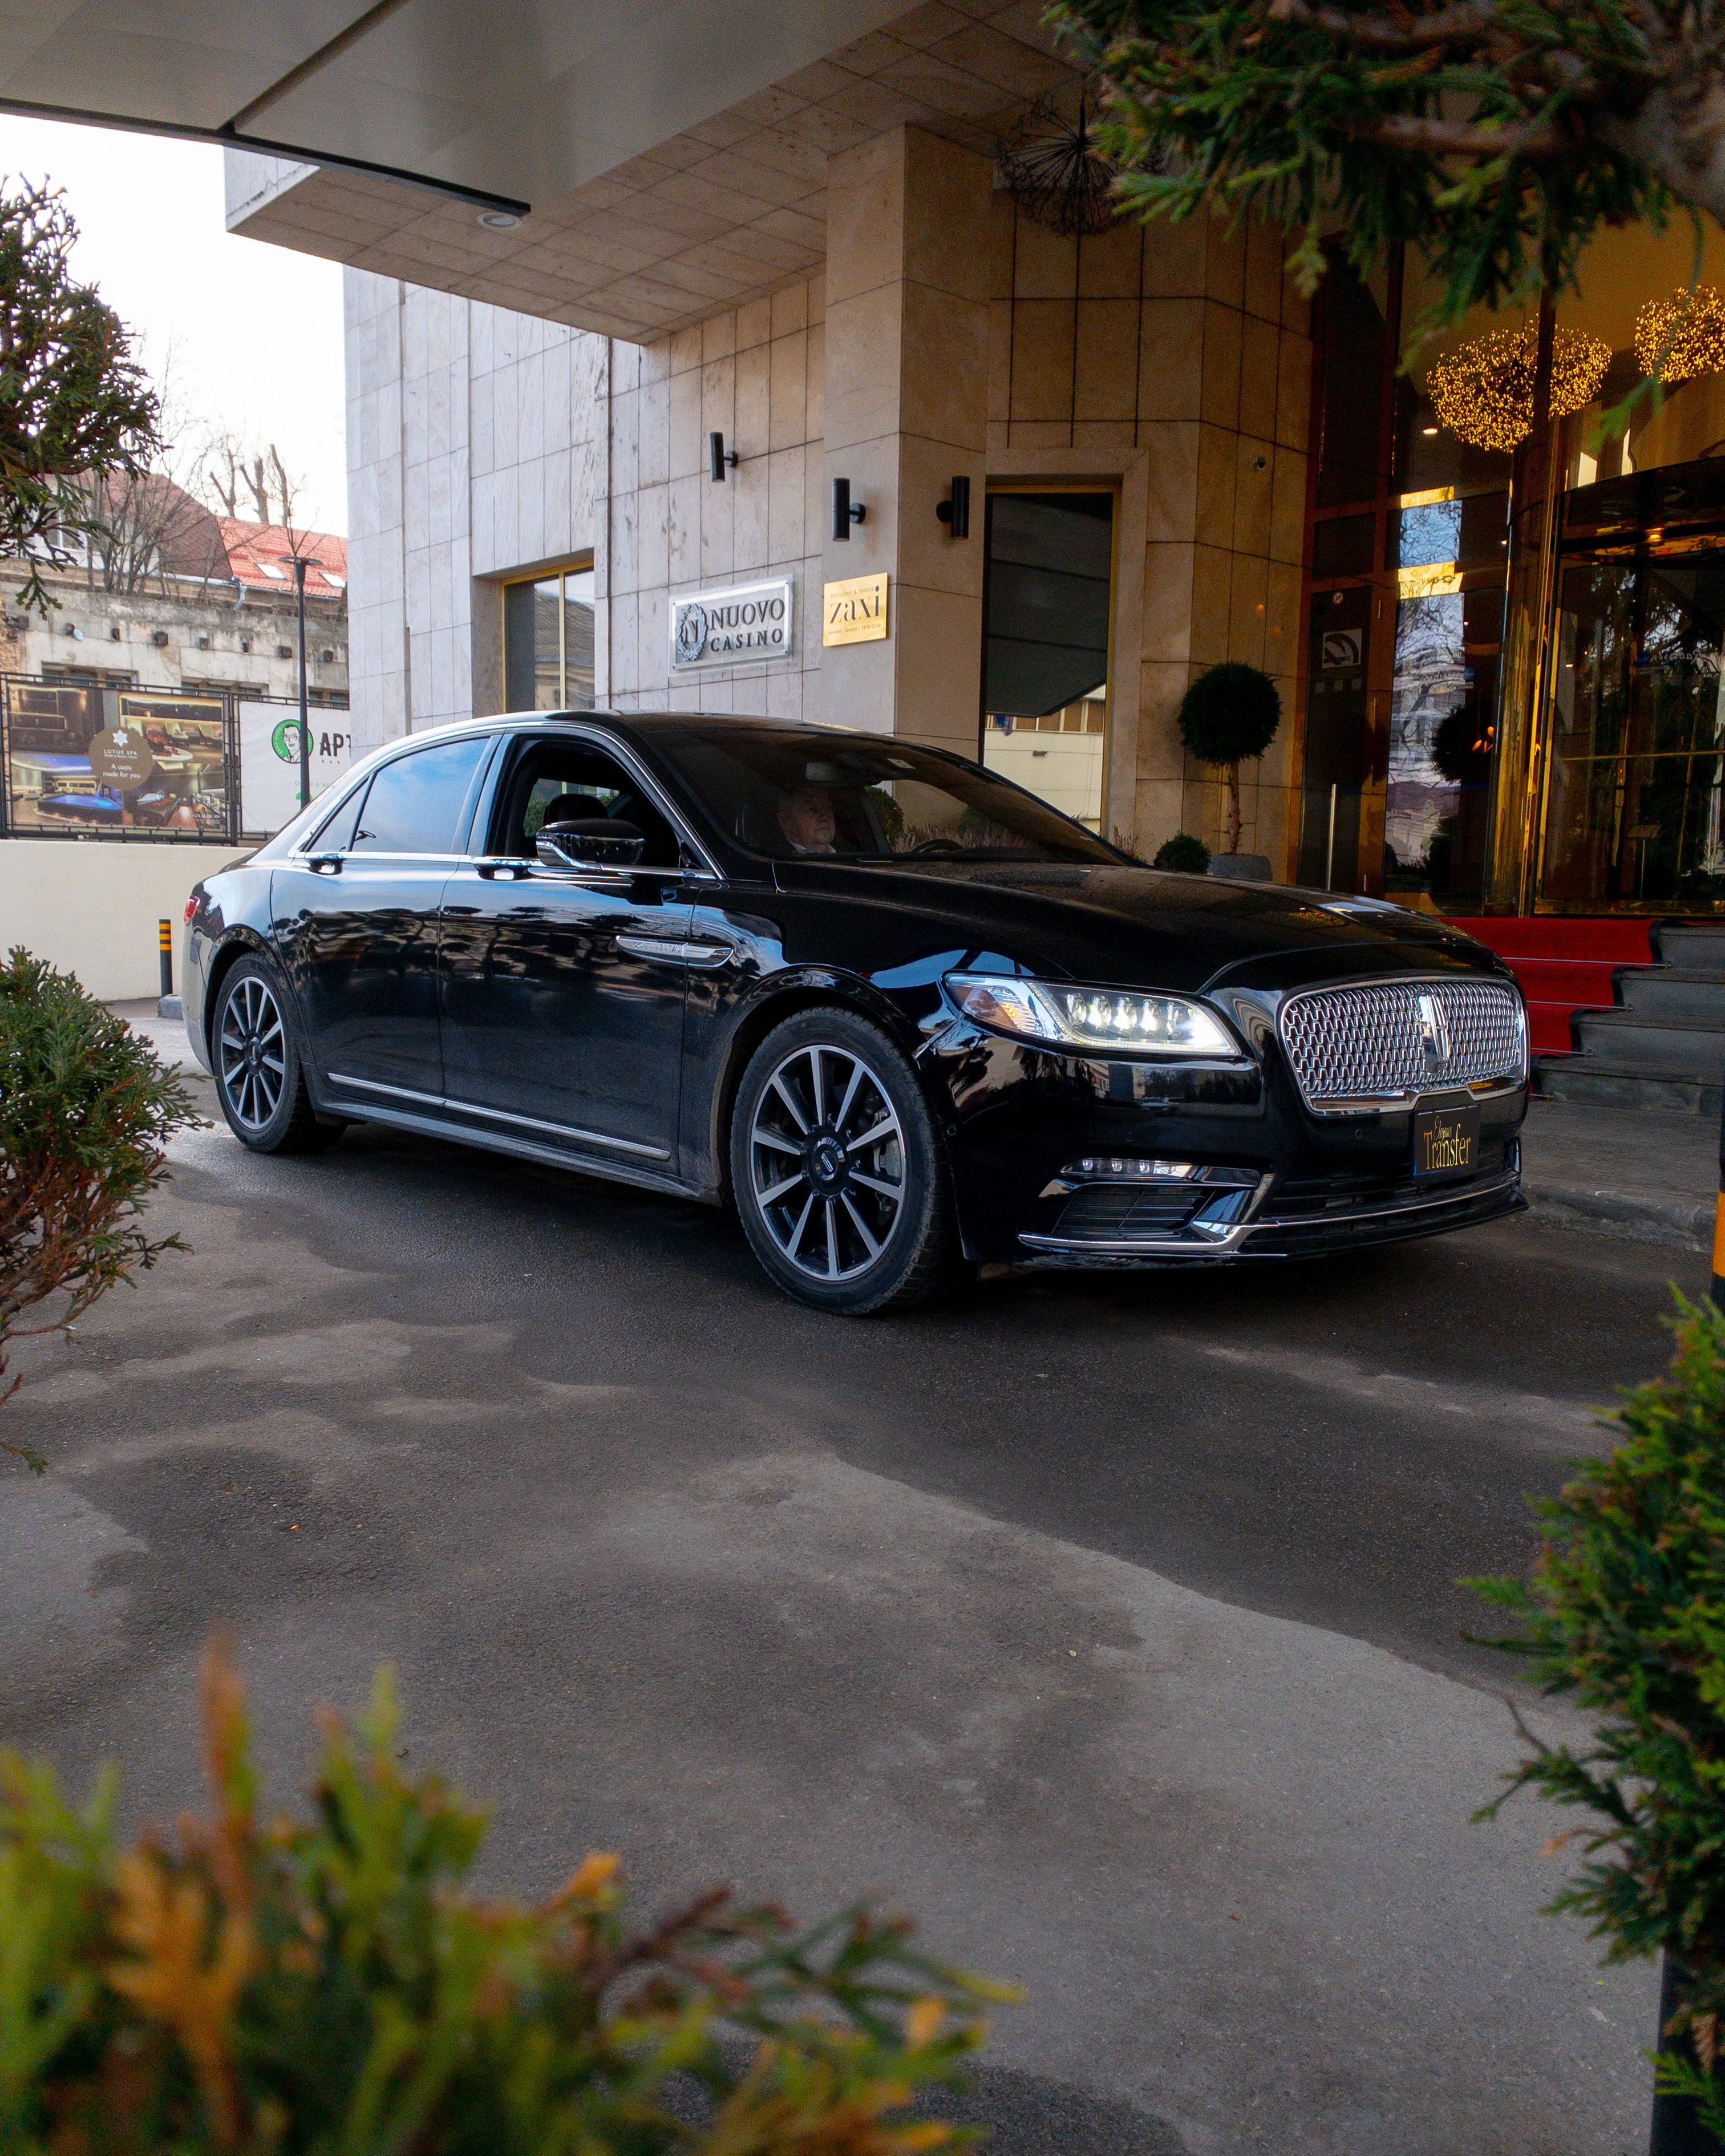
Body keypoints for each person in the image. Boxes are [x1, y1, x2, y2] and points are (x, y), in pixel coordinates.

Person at [777, 784, 837, 854]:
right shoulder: (776, 857)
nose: (824, 815)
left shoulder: (848, 854)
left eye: (828, 808)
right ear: (785, 822)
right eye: (812, 809)